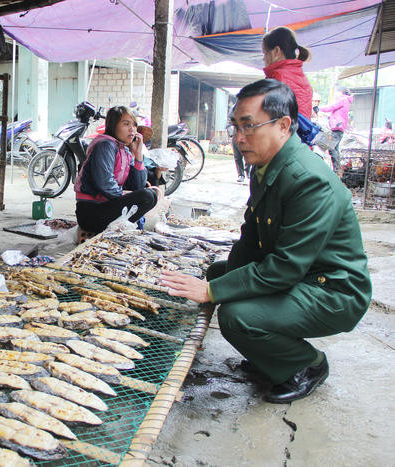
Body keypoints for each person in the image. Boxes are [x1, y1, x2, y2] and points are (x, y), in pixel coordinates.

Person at [160, 79, 371, 404]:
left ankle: (306, 365)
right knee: (220, 272)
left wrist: (212, 292)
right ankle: (269, 356)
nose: (239, 138)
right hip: (303, 276)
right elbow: (250, 236)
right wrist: (217, 280)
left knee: (236, 316)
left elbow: (284, 268)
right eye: (235, 127)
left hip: (333, 291)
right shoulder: (268, 166)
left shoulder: (308, 180)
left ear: (284, 125)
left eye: (249, 127)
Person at [74, 106, 160, 234]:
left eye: (134, 125)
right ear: (113, 125)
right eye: (126, 124)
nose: (132, 129)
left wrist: (138, 154)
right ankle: (115, 229)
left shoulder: (123, 149)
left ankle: (119, 228)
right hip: (91, 213)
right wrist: (124, 194)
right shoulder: (105, 145)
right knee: (147, 196)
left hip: (106, 207)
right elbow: (105, 183)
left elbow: (137, 186)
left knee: (151, 195)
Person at [262, 26, 313, 119]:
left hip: (283, 132)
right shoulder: (300, 76)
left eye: (265, 53)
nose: (263, 58)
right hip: (297, 133)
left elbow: (267, 119)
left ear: (276, 51)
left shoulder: (277, 78)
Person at [319, 86, 353, 173]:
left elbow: (331, 107)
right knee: (335, 148)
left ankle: (337, 170)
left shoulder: (343, 100)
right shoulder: (346, 101)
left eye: (337, 92)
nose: (336, 94)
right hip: (339, 127)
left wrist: (319, 108)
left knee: (332, 148)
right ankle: (337, 170)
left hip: (337, 127)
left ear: (341, 92)